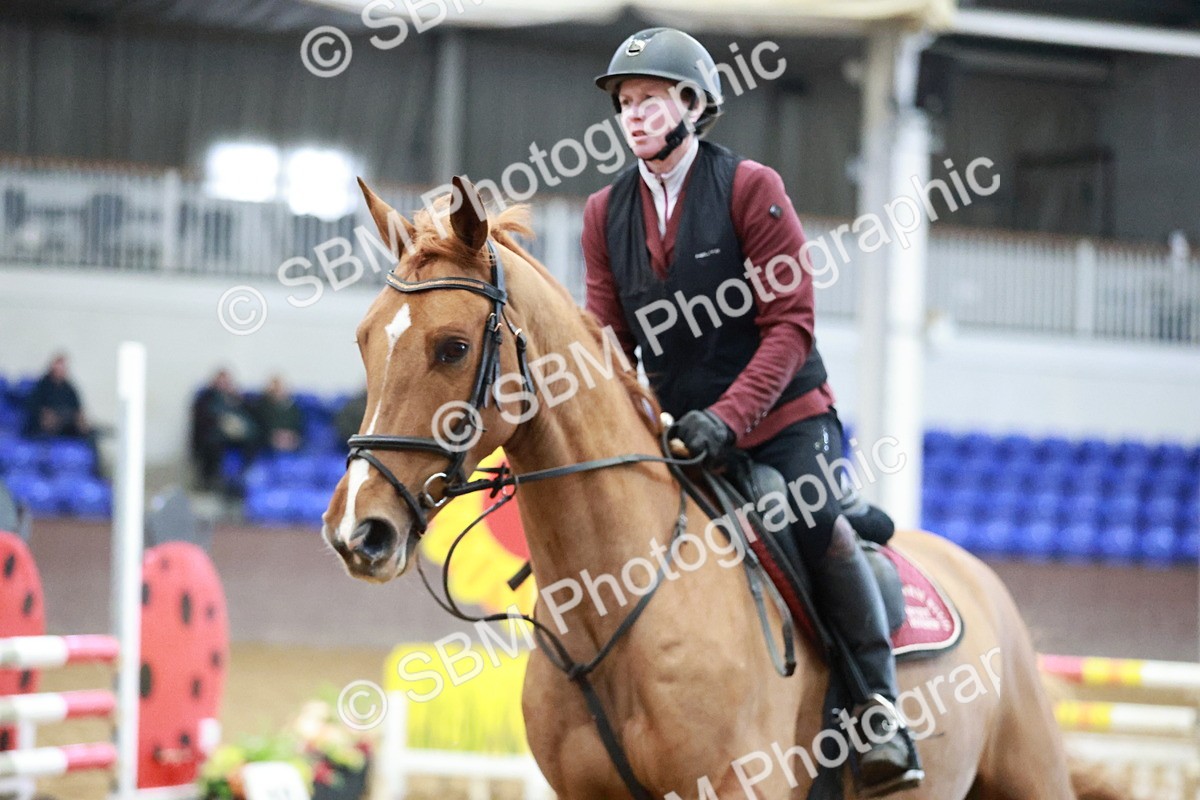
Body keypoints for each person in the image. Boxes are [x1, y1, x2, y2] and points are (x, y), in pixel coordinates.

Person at [581, 28, 921, 795]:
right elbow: (606, 338)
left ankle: (880, 716)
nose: (634, 116)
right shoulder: (605, 212)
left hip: (785, 420)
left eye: (650, 100)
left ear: (693, 105)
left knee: (813, 526)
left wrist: (728, 418)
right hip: (685, 436)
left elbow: (791, 325)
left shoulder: (749, 187)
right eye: (625, 104)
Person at [190, 369, 259, 491]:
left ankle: (243, 477)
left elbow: (250, 414)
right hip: (215, 433)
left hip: (237, 434)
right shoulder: (206, 397)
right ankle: (210, 481)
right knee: (212, 445)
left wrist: (238, 399)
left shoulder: (236, 396)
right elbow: (201, 418)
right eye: (220, 381)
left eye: (226, 381)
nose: (223, 384)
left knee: (253, 440)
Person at [23, 353, 91, 439]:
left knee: (84, 427)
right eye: (58, 367)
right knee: (49, 421)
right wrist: (45, 414)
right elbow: (33, 406)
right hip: (45, 424)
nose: (60, 370)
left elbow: (77, 408)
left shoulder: (69, 388)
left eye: (63, 368)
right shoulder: (42, 385)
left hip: (67, 423)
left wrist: (79, 419)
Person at [254, 375, 304, 453]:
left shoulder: (293, 407)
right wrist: (275, 435)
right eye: (276, 388)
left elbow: (297, 424)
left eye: (281, 388)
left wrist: (290, 434)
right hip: (270, 438)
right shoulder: (263, 406)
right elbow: (261, 424)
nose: (278, 391)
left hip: (289, 437)